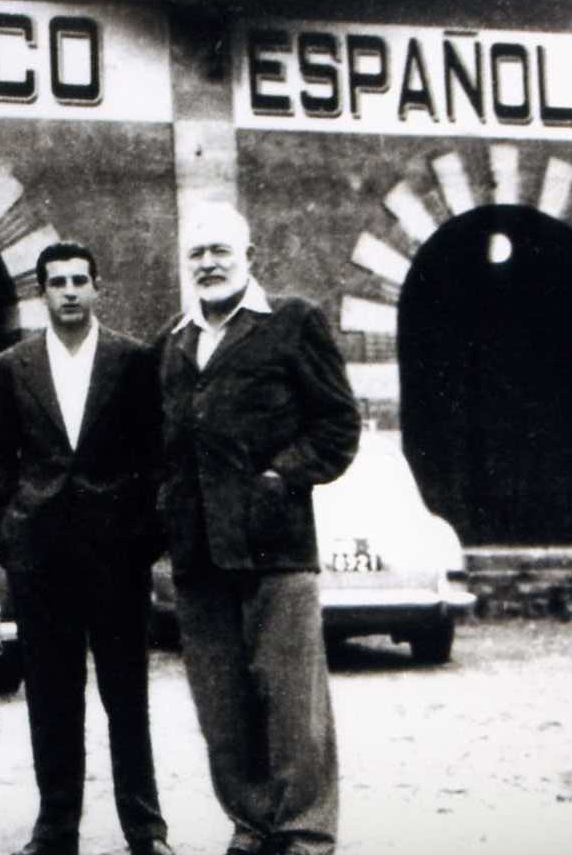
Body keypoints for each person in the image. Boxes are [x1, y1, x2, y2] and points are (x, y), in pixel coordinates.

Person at [155, 203, 360, 855]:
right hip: (197, 554)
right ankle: (251, 823)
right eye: (197, 254)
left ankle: (303, 832)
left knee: (291, 703)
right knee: (221, 705)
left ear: (248, 255)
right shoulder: (173, 342)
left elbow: (337, 427)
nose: (208, 263)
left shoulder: (294, 323)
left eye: (220, 250)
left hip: (276, 550)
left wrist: (279, 479)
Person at [0, 242, 174, 855]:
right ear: (41, 292)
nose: (68, 291)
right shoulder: (12, 366)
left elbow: (156, 455)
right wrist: (12, 528)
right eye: (56, 282)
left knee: (126, 696)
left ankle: (145, 828)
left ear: (97, 288)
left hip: (116, 553)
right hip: (42, 554)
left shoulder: (132, 359)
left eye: (78, 281)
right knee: (51, 695)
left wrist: (144, 535)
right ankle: (56, 826)